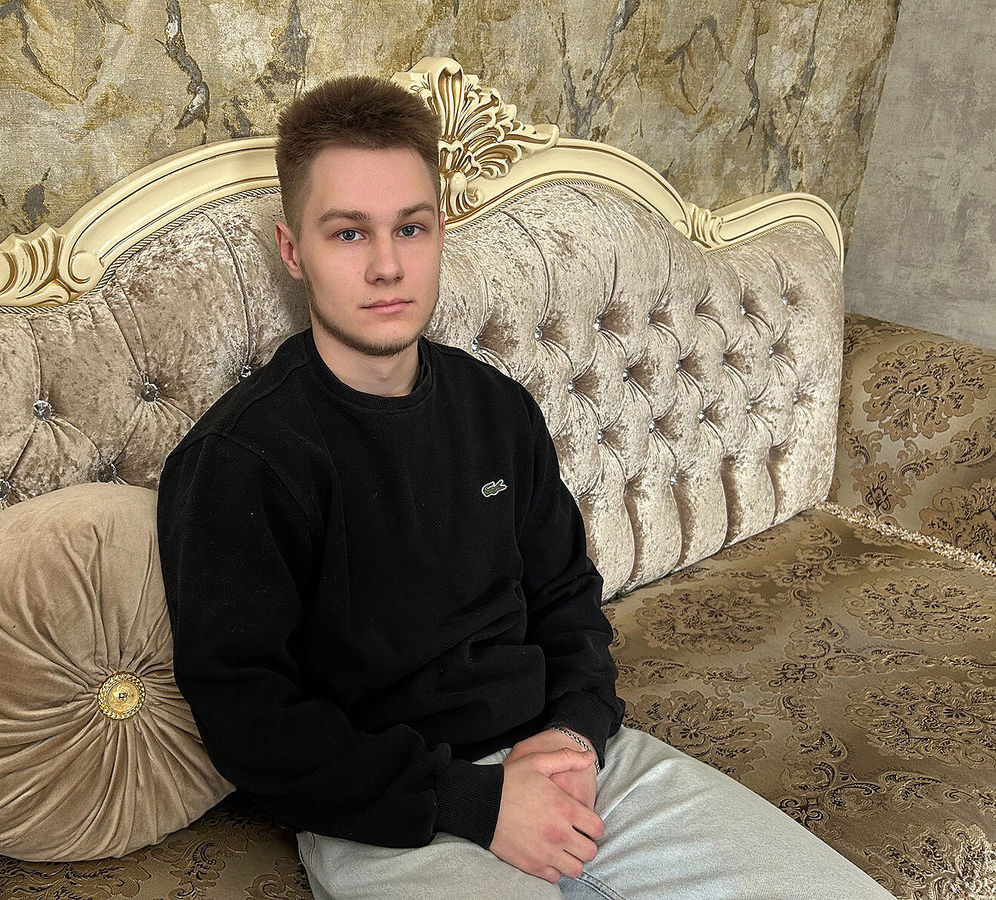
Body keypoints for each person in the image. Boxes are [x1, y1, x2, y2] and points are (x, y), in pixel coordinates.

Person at [156, 75, 891, 900]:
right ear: (294, 251)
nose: (388, 265)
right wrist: (476, 802)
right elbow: (248, 720)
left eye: (410, 227)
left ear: (440, 232)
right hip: (389, 810)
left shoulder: (495, 406)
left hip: (567, 758)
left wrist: (577, 729)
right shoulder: (240, 458)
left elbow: (566, 596)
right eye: (349, 233)